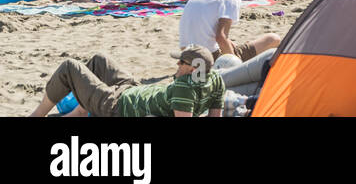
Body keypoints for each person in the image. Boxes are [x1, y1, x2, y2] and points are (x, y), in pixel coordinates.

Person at [29, 45, 224, 118]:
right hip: (138, 92)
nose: (177, 64)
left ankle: (37, 115)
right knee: (100, 59)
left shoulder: (184, 87)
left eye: (181, 62)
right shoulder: (215, 79)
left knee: (69, 67)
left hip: (118, 106)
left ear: (193, 68)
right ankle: (82, 111)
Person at [179, 0, 280, 61]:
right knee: (273, 39)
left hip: (186, 53)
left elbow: (208, 29)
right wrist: (234, 64)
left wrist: (230, 44)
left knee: (233, 45)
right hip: (207, 56)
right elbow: (220, 37)